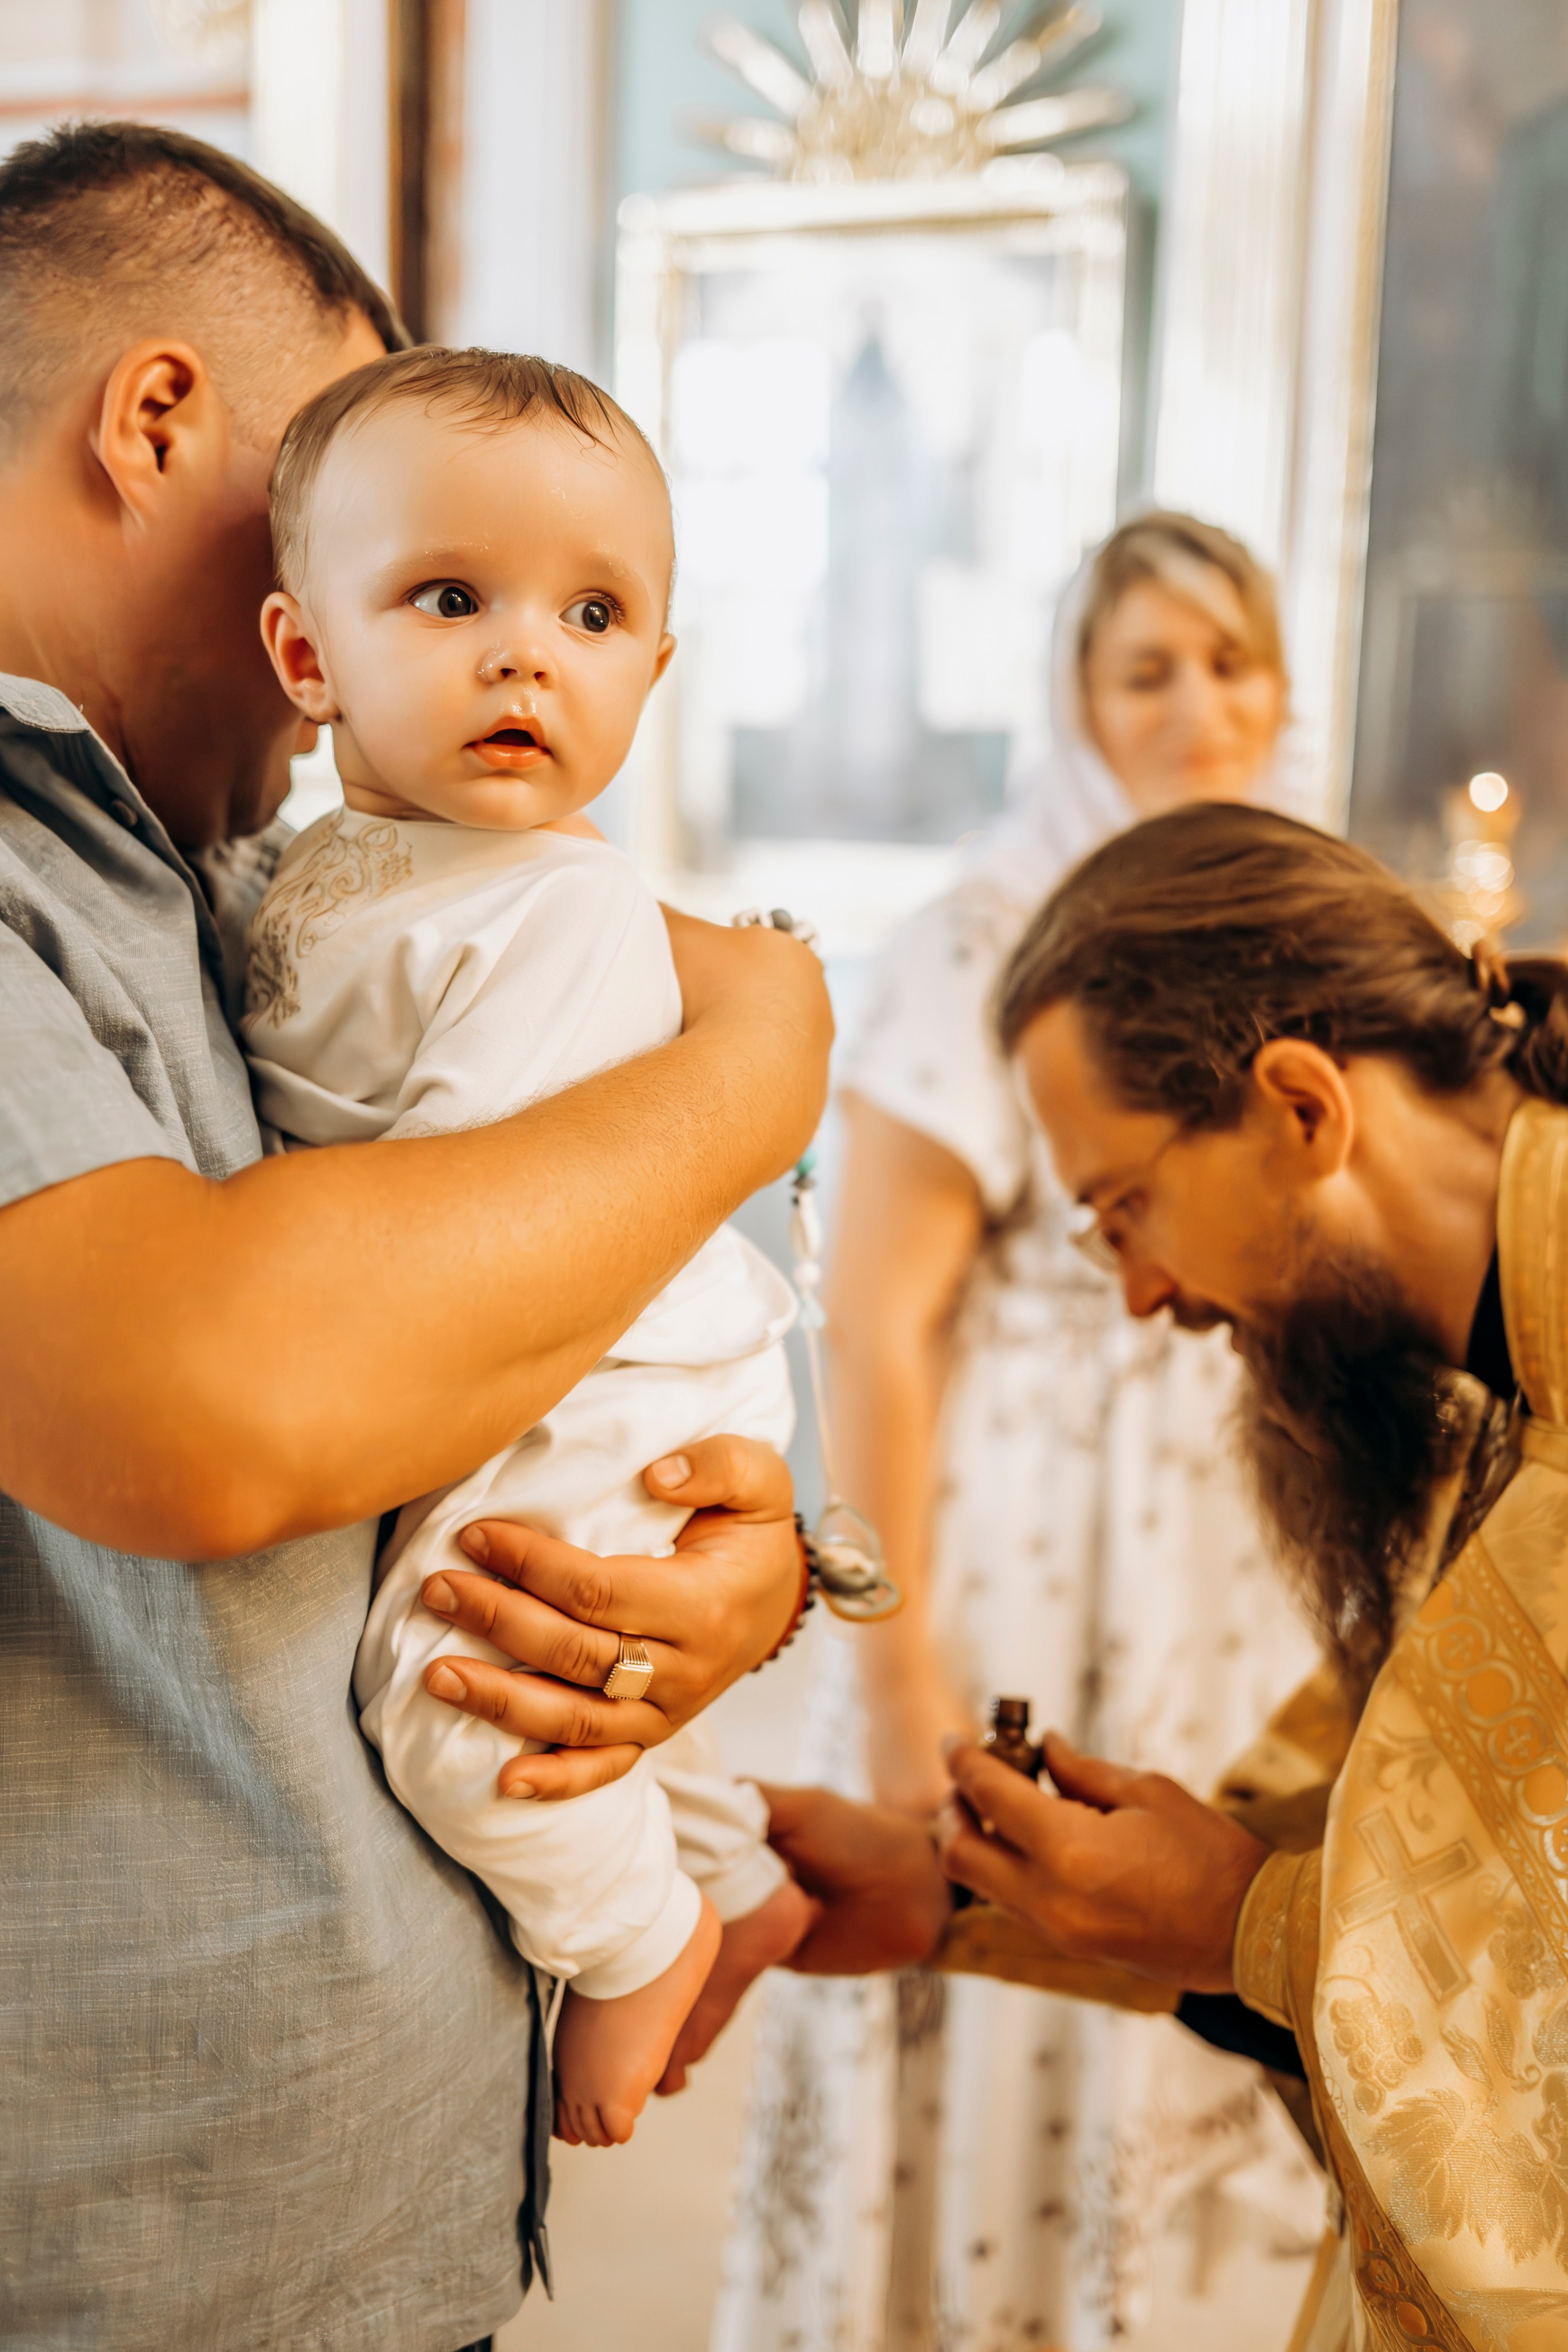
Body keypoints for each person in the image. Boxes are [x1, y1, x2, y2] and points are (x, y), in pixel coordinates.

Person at [0, 124, 831, 2350]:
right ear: (157, 425)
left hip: (337, 2194)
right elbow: (204, 1401)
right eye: (383, 557)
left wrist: (743, 1571)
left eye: (576, 610)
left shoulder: (209, 860)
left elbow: (553, 1233)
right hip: (145, 2252)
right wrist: (759, 1069)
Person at [764, 801, 1568, 2350]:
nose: (1140, 1296)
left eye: (1121, 1207)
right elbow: (1450, 1862)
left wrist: (1248, 1922)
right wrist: (959, 1897)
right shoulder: (1508, 1375)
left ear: (1296, 1108)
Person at [717, 518, 1324, 2350]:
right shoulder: (982, 941)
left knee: (1205, 1934)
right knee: (992, 1938)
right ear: (1075, 701)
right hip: (1017, 1552)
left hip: (1232, 1574)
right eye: (1147, 670)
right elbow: (880, 1331)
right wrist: (902, 1670)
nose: (1197, 707)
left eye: (1231, 662)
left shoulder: (1292, 924)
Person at [244, 342, 815, 2149]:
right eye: (449, 598)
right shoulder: (306, 866)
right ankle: (729, 1862)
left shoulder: (564, 904)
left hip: (590, 1371)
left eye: (592, 613)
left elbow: (460, 1250)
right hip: (549, 1356)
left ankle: (643, 1942)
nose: (524, 655)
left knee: (458, 1701)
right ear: (306, 658)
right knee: (599, 1686)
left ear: (653, 669)